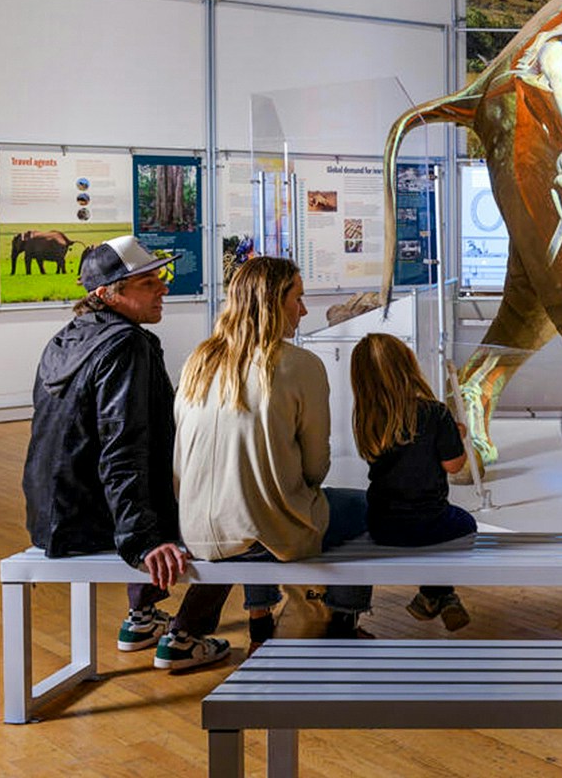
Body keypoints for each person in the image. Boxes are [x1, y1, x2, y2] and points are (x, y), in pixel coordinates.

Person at [22, 236, 232, 671]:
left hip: (53, 516)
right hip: (88, 524)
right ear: (106, 295)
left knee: (166, 498)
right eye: (147, 282)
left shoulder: (69, 338)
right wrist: (142, 543)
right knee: (230, 526)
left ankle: (142, 617)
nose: (163, 289)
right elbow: (123, 446)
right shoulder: (126, 346)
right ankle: (186, 637)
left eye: (159, 278)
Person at [173, 256, 373, 645]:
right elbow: (317, 468)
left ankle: (259, 620)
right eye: (297, 299)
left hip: (195, 533)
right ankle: (342, 624)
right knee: (367, 507)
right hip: (261, 537)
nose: (304, 310)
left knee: (257, 506)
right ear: (271, 302)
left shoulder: (198, 361)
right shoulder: (301, 365)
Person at [350, 332, 475, 630]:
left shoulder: (367, 418)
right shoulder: (435, 413)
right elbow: (454, 466)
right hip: (431, 522)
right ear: (408, 365)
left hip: (383, 526)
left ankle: (436, 598)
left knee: (428, 532)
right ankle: (436, 594)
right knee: (466, 525)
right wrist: (457, 436)